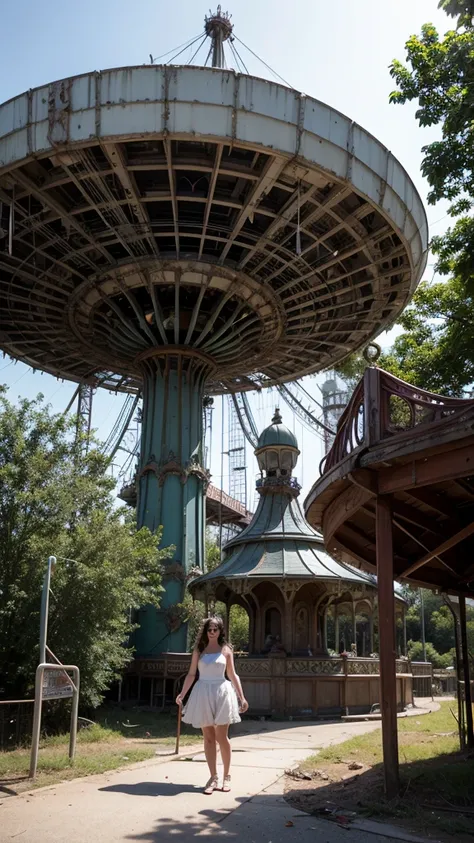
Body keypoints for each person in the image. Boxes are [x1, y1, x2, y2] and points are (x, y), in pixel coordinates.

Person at [176, 616, 249, 795]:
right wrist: (182, 694)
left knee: (221, 736)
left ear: (220, 631)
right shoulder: (199, 650)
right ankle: (213, 777)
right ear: (205, 631)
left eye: (216, 629)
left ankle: (227, 776)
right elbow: (192, 674)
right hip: (202, 692)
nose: (212, 632)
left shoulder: (226, 650)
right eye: (210, 629)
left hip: (222, 691)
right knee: (208, 737)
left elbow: (232, 675)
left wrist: (242, 697)